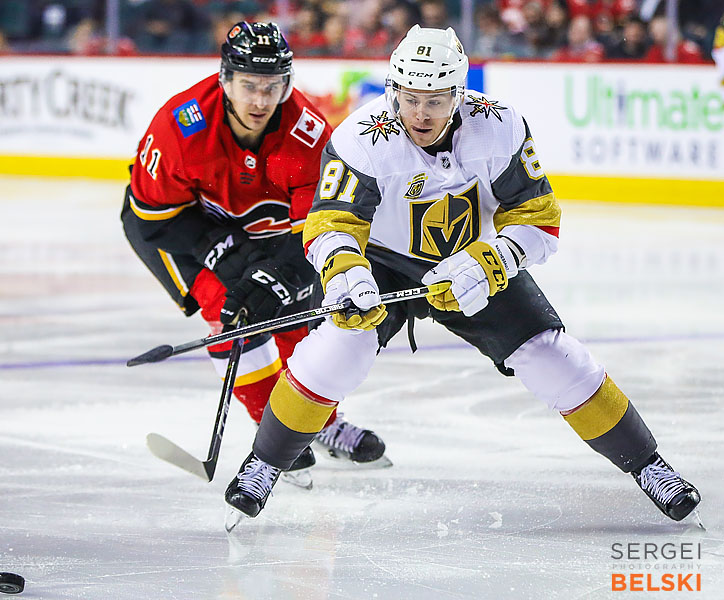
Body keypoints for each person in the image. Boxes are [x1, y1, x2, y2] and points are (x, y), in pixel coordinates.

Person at [224, 25, 702, 522]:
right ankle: (263, 465)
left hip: (477, 259)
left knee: (552, 357)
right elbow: (331, 223)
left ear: (460, 93)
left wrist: (493, 260)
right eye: (410, 98)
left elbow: (539, 217)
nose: (420, 113)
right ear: (393, 91)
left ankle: (650, 466)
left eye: (435, 99)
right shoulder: (361, 138)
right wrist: (346, 272)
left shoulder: (499, 126)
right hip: (383, 264)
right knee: (337, 348)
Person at [122, 21, 389, 485]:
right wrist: (221, 254)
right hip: (178, 231)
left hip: (273, 234)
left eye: (272, 87)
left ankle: (318, 425)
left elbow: (320, 224)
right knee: (227, 309)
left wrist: (284, 273)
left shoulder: (307, 135)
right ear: (225, 79)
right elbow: (152, 215)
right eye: (249, 85)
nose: (261, 101)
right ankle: (274, 437)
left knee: (296, 315)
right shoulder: (180, 127)